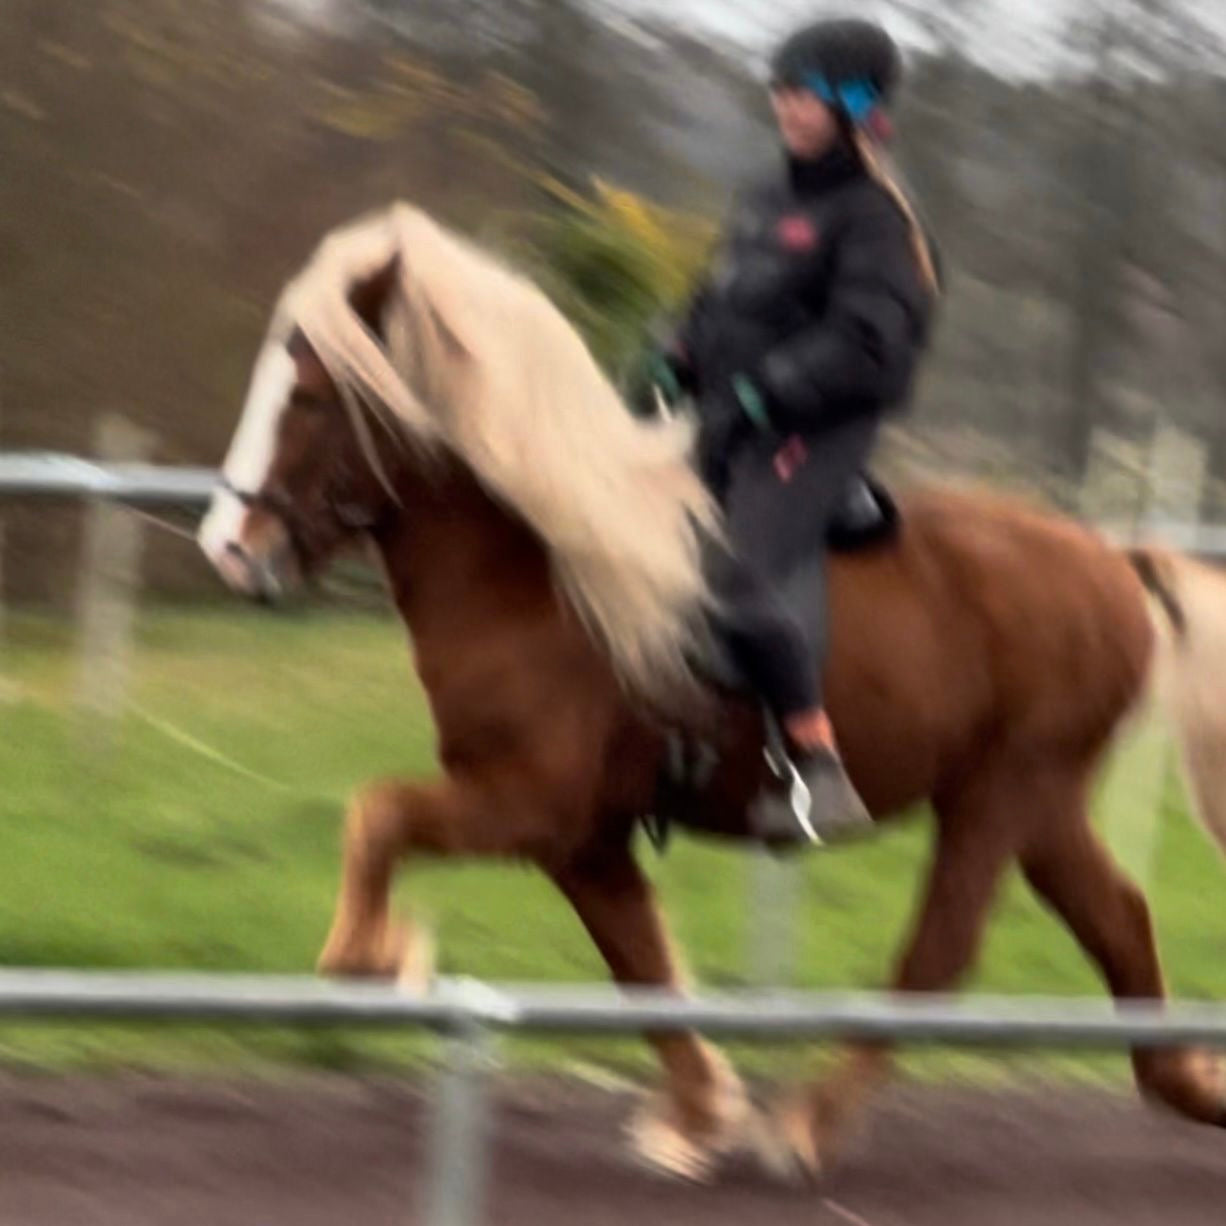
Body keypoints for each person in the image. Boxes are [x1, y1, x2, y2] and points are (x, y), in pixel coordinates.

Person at [643, 17, 940, 846]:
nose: (787, 107)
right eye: (781, 90)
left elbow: (866, 343)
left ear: (855, 107)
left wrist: (767, 392)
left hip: (812, 432)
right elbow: (718, 301)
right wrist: (673, 351)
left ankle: (819, 766)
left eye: (805, 94)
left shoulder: (875, 218)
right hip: (734, 419)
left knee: (736, 581)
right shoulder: (767, 199)